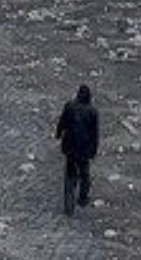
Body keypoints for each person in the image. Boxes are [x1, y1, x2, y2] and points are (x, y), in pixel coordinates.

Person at [55, 84, 99, 215]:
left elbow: (62, 122)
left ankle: (68, 207)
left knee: (69, 177)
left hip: (70, 148)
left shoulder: (69, 106)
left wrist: (58, 134)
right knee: (84, 175)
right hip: (84, 150)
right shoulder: (92, 112)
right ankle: (82, 198)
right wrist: (94, 150)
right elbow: (94, 133)